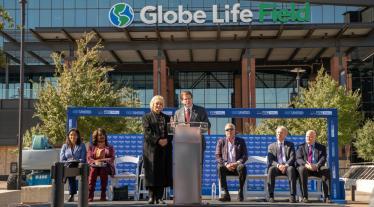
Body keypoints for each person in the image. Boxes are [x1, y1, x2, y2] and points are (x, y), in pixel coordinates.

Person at [142, 95, 173, 204]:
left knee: (162, 173)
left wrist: (167, 140)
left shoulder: (168, 118)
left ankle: (159, 197)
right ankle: (151, 197)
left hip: (164, 149)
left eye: (160, 104)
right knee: (151, 173)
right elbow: (147, 132)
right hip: (151, 149)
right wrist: (158, 140)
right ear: (152, 105)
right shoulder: (146, 117)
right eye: (157, 104)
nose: (158, 106)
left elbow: (171, 132)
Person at [215, 123, 248, 202]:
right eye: (227, 130)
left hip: (237, 166)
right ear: (225, 132)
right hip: (226, 167)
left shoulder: (241, 141)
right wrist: (226, 164)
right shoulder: (221, 141)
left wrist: (236, 163)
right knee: (219, 167)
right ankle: (226, 194)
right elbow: (218, 156)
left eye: (231, 129)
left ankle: (240, 192)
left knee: (242, 167)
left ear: (234, 131)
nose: (229, 131)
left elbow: (245, 156)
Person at [296, 130, 331, 203]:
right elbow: (298, 159)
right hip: (306, 169)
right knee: (301, 169)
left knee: (326, 170)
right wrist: (306, 165)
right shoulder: (300, 147)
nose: (308, 138)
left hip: (317, 168)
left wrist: (317, 165)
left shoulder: (321, 147)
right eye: (307, 136)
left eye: (311, 137)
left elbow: (323, 158)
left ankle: (327, 197)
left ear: (315, 137)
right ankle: (304, 197)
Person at [174, 90, 211, 159]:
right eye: (185, 99)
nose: (188, 100)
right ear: (182, 101)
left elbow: (208, 125)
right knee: (185, 167)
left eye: (189, 98)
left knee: (198, 167)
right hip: (183, 145)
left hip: (198, 144)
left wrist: (195, 130)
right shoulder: (177, 113)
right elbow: (175, 128)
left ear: (192, 99)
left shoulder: (201, 110)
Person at [267, 126, 297, 203]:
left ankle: (292, 195)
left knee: (291, 169)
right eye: (277, 133)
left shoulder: (290, 145)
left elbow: (292, 157)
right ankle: (270, 195)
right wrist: (279, 165)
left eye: (281, 133)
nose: (279, 134)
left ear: (285, 134)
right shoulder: (271, 146)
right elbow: (271, 160)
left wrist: (285, 165)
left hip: (287, 167)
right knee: (271, 169)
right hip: (276, 167)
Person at [87, 128, 115, 202]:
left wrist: (101, 161)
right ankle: (90, 194)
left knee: (103, 169)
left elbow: (112, 158)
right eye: (100, 135)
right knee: (93, 170)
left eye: (103, 135)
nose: (102, 136)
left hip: (106, 166)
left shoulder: (110, 147)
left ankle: (103, 194)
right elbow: (89, 158)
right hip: (94, 166)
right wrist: (95, 162)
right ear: (96, 136)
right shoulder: (91, 147)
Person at [60, 128, 87, 202]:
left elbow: (83, 159)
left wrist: (76, 160)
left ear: (78, 136)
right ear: (68, 136)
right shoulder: (65, 146)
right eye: (71, 135)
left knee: (70, 168)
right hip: (68, 165)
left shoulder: (82, 145)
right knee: (68, 168)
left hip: (78, 165)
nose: (73, 136)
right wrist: (69, 161)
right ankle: (71, 194)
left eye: (75, 135)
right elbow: (62, 159)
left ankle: (64, 179)